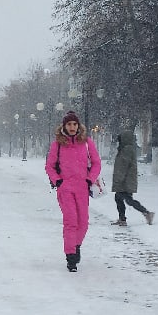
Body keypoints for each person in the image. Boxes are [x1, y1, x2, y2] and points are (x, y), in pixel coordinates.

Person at [46, 111, 102, 272]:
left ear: (78, 126)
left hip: (82, 188)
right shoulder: (58, 144)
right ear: (64, 126)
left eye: (74, 124)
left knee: (83, 222)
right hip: (65, 188)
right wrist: (58, 181)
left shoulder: (86, 142)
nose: (72, 127)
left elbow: (97, 163)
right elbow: (50, 166)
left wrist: (89, 179)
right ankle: (71, 257)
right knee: (71, 221)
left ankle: (76, 245)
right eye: (69, 124)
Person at [110, 128, 155, 226]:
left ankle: (146, 213)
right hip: (126, 180)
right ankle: (123, 219)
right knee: (120, 198)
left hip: (125, 181)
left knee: (127, 199)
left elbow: (123, 166)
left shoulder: (127, 149)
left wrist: (119, 179)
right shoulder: (127, 148)